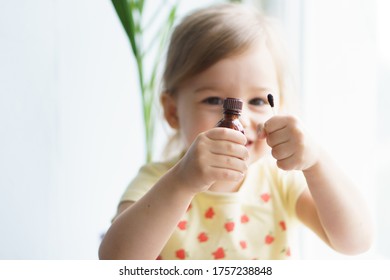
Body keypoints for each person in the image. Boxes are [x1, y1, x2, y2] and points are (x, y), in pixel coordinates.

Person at [99, 3, 373, 260]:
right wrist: (182, 182)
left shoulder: (281, 181)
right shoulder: (158, 181)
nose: (239, 120)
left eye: (257, 101)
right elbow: (115, 260)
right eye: (213, 100)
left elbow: (355, 241)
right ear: (172, 112)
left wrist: (316, 163)